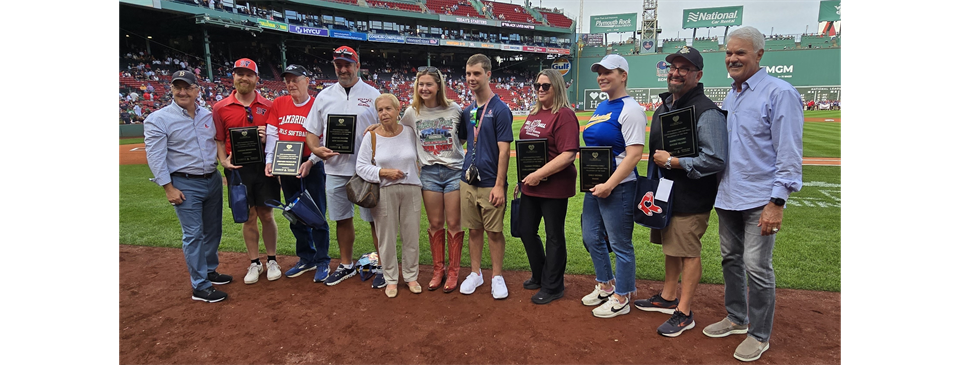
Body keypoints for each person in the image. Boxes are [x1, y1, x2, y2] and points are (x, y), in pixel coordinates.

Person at [703, 26, 803, 362]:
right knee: (730, 259)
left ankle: (759, 335)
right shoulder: (732, 94)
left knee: (757, 267)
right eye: (729, 53)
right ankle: (736, 317)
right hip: (728, 195)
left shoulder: (779, 92)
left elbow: (789, 153)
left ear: (759, 55)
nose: (732, 58)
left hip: (761, 198)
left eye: (740, 53)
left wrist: (778, 202)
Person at [635, 46, 728, 337]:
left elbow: (715, 159)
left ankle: (684, 312)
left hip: (691, 195)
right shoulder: (666, 107)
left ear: (698, 75)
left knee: (687, 252)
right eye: (673, 67)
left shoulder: (707, 111)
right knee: (671, 247)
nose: (676, 73)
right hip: (665, 193)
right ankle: (667, 296)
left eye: (684, 68)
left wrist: (674, 162)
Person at [144, 70, 231, 303]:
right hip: (184, 182)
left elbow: (220, 142)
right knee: (193, 234)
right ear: (171, 89)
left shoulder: (208, 115)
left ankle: (209, 270)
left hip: (212, 178)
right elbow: (155, 156)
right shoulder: (158, 118)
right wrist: (168, 188)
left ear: (196, 90)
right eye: (177, 87)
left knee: (213, 230)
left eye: (187, 87)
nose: (182, 92)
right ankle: (200, 286)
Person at [304, 46, 382, 287]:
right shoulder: (324, 96)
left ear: (357, 66)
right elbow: (311, 132)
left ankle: (382, 266)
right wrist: (316, 150)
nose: (343, 69)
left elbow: (387, 128)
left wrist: (378, 129)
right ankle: (346, 264)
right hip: (335, 168)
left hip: (367, 170)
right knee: (342, 218)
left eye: (348, 64)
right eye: (339, 64)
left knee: (375, 220)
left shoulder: (373, 94)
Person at [580, 54, 645, 318]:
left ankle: (622, 296)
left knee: (620, 244)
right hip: (595, 185)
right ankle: (606, 284)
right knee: (591, 237)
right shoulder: (602, 106)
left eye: (608, 72)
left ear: (623, 75)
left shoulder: (631, 109)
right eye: (599, 73)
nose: (602, 77)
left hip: (619, 187)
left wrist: (609, 184)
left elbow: (634, 154)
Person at [213, 58, 282, 285]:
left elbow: (275, 137)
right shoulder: (220, 107)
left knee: (267, 214)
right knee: (248, 216)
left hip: (263, 167)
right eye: (240, 74)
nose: (244, 78)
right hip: (237, 170)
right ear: (233, 76)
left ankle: (272, 260)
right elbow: (219, 139)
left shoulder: (269, 106)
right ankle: (254, 262)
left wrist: (265, 138)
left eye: (249, 74)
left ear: (256, 78)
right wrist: (223, 161)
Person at [264, 65, 332, 283]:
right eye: (288, 80)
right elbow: (273, 134)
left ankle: (322, 260)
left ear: (307, 81)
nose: (291, 84)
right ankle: (306, 257)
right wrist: (269, 160)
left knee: (316, 214)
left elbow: (324, 139)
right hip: (286, 163)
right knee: (294, 212)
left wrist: (312, 161)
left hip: (311, 162)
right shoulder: (279, 103)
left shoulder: (317, 104)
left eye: (295, 79)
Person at [400, 66, 465, 293]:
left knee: (454, 223)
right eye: (421, 84)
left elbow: (462, 137)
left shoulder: (454, 109)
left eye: (429, 84)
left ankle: (454, 271)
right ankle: (438, 270)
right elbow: (398, 133)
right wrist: (376, 128)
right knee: (435, 223)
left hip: (454, 171)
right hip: (429, 173)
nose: (424, 88)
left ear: (439, 86)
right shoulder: (412, 112)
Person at [517, 69, 578, 305]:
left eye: (546, 86)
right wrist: (524, 178)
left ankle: (553, 286)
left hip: (554, 186)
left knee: (554, 235)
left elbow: (568, 154)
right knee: (525, 230)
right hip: (531, 185)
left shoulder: (564, 115)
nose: (540, 90)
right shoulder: (534, 113)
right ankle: (541, 274)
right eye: (537, 86)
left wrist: (538, 174)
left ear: (557, 88)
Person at [355, 94, 422, 298]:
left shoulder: (409, 132)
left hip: (411, 188)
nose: (384, 113)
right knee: (386, 238)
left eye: (388, 109)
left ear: (398, 109)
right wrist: (383, 172)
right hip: (384, 190)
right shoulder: (372, 136)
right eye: (380, 110)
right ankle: (390, 278)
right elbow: (361, 167)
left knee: (411, 236)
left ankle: (411, 276)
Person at [458, 54, 513, 299]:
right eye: (468, 73)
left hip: (491, 182)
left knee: (494, 232)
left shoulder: (500, 109)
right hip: (468, 181)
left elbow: (504, 151)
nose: (471, 78)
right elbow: (461, 140)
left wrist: (500, 185)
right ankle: (476, 273)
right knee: (474, 230)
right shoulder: (468, 110)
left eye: (476, 73)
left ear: (488, 74)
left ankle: (497, 276)